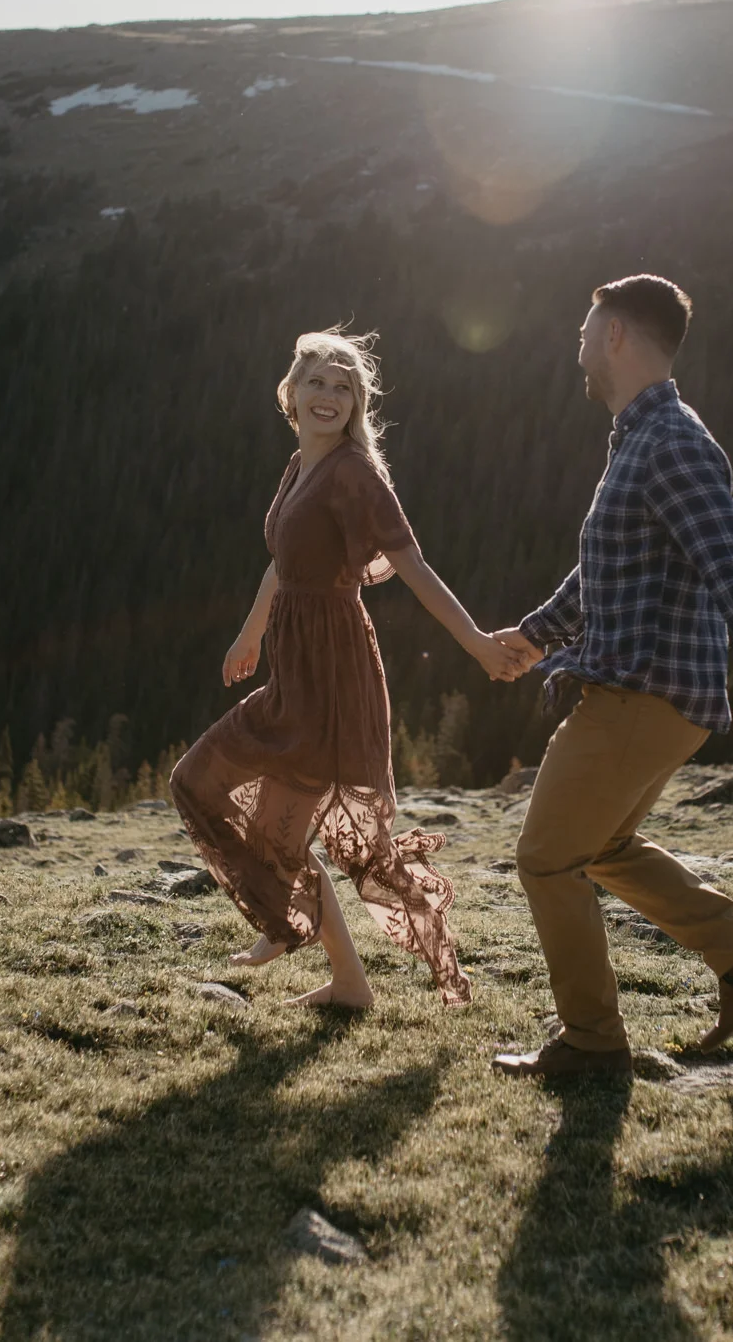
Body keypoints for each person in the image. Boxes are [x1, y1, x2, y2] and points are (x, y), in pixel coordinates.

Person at [489, 275, 733, 1078]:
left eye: (585, 330)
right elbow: (604, 570)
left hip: (639, 694)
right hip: (648, 692)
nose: (576, 347)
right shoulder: (639, 441)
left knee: (547, 858)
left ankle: (590, 1044)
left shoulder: (673, 442)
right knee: (604, 846)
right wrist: (535, 636)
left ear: (616, 334)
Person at [170, 329, 511, 1009]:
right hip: (296, 667)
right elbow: (283, 563)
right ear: (291, 393)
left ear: (358, 403)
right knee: (211, 793)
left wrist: (474, 641)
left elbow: (410, 563)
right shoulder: (300, 466)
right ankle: (339, 972)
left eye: (343, 385)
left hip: (333, 674)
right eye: (317, 382)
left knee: (261, 823)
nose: (329, 395)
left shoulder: (354, 474)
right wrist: (250, 632)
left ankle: (292, 926)